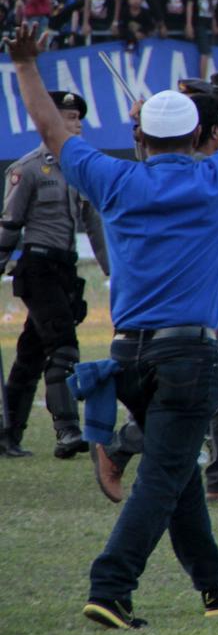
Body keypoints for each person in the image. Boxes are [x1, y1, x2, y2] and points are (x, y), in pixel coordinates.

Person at [5, 3, 218, 628]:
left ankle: (214, 584)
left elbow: (52, 132)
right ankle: (111, 587)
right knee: (164, 473)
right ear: (198, 134)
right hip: (189, 355)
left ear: (139, 138)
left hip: (128, 354)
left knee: (176, 470)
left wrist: (24, 65)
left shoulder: (113, 180)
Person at [0, 92, 108, 459]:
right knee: (63, 346)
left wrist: (113, 272)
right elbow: (10, 223)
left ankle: (8, 433)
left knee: (31, 353)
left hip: (65, 269)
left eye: (79, 118)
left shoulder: (82, 169)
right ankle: (67, 430)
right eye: (69, 117)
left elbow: (95, 226)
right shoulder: (27, 169)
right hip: (38, 267)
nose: (77, 125)